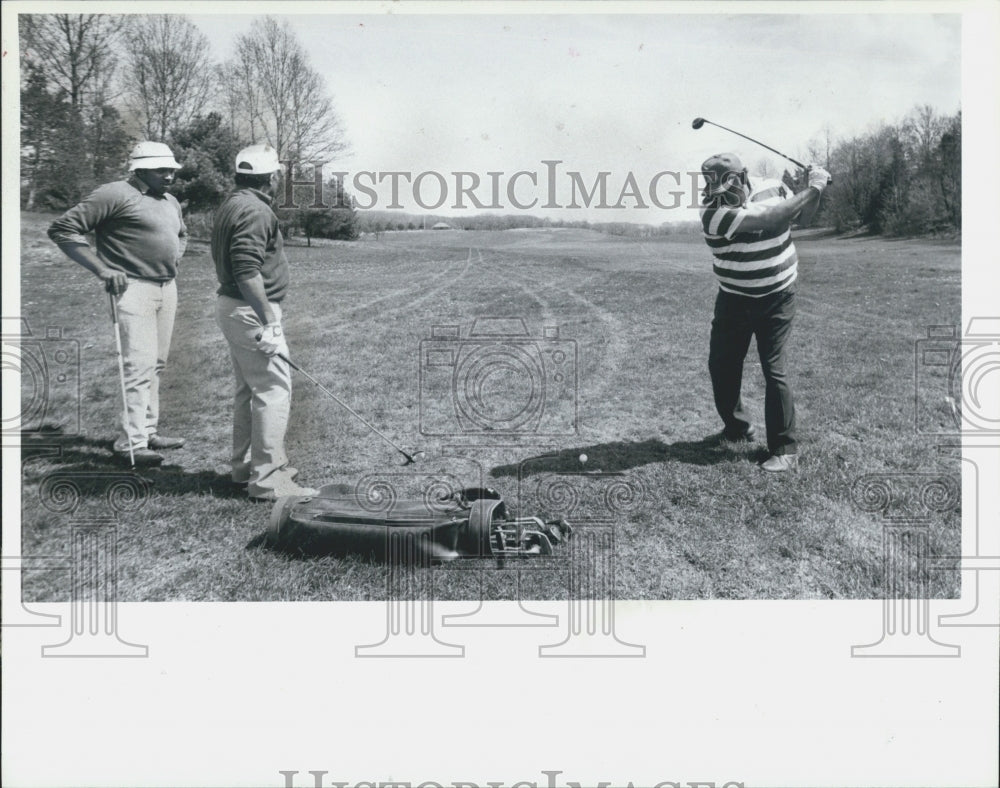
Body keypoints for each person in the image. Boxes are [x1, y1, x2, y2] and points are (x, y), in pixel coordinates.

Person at [48, 141, 188, 466]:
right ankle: (131, 443)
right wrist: (102, 268)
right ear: (138, 169)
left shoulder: (169, 200)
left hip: (167, 288)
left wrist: (175, 256)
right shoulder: (113, 193)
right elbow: (63, 229)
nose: (169, 176)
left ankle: (148, 432)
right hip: (132, 288)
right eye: (161, 170)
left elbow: (182, 234)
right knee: (138, 365)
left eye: (171, 170)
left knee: (156, 363)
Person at [699, 152, 831, 472]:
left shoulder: (774, 187)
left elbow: (804, 218)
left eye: (730, 189)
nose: (724, 197)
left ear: (744, 177)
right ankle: (737, 427)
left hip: (778, 295)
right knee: (722, 364)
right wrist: (812, 188)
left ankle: (784, 449)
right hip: (733, 298)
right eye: (717, 191)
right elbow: (770, 219)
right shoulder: (712, 212)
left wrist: (815, 192)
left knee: (774, 368)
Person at [211, 144, 318, 501]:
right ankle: (268, 480)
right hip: (250, 309)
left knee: (249, 391)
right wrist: (269, 321)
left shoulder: (232, 203)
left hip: (234, 307)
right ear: (272, 177)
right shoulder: (256, 210)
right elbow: (246, 271)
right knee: (274, 391)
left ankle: (246, 469)